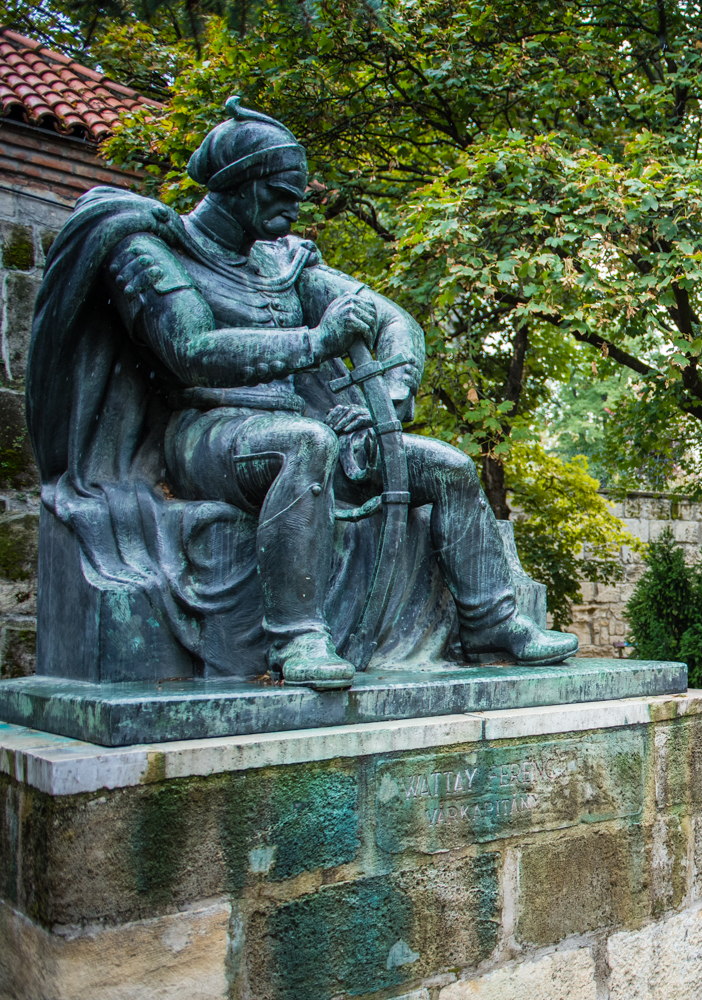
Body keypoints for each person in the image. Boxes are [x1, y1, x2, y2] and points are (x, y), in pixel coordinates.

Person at [33, 98, 577, 687]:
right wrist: (316, 341)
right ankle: (296, 638)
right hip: (207, 433)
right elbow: (191, 349)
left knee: (448, 467)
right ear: (238, 183)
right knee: (305, 443)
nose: (295, 205)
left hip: (303, 425)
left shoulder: (285, 264)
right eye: (280, 191)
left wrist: (388, 396)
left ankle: (492, 622)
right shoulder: (155, 251)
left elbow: (393, 320)